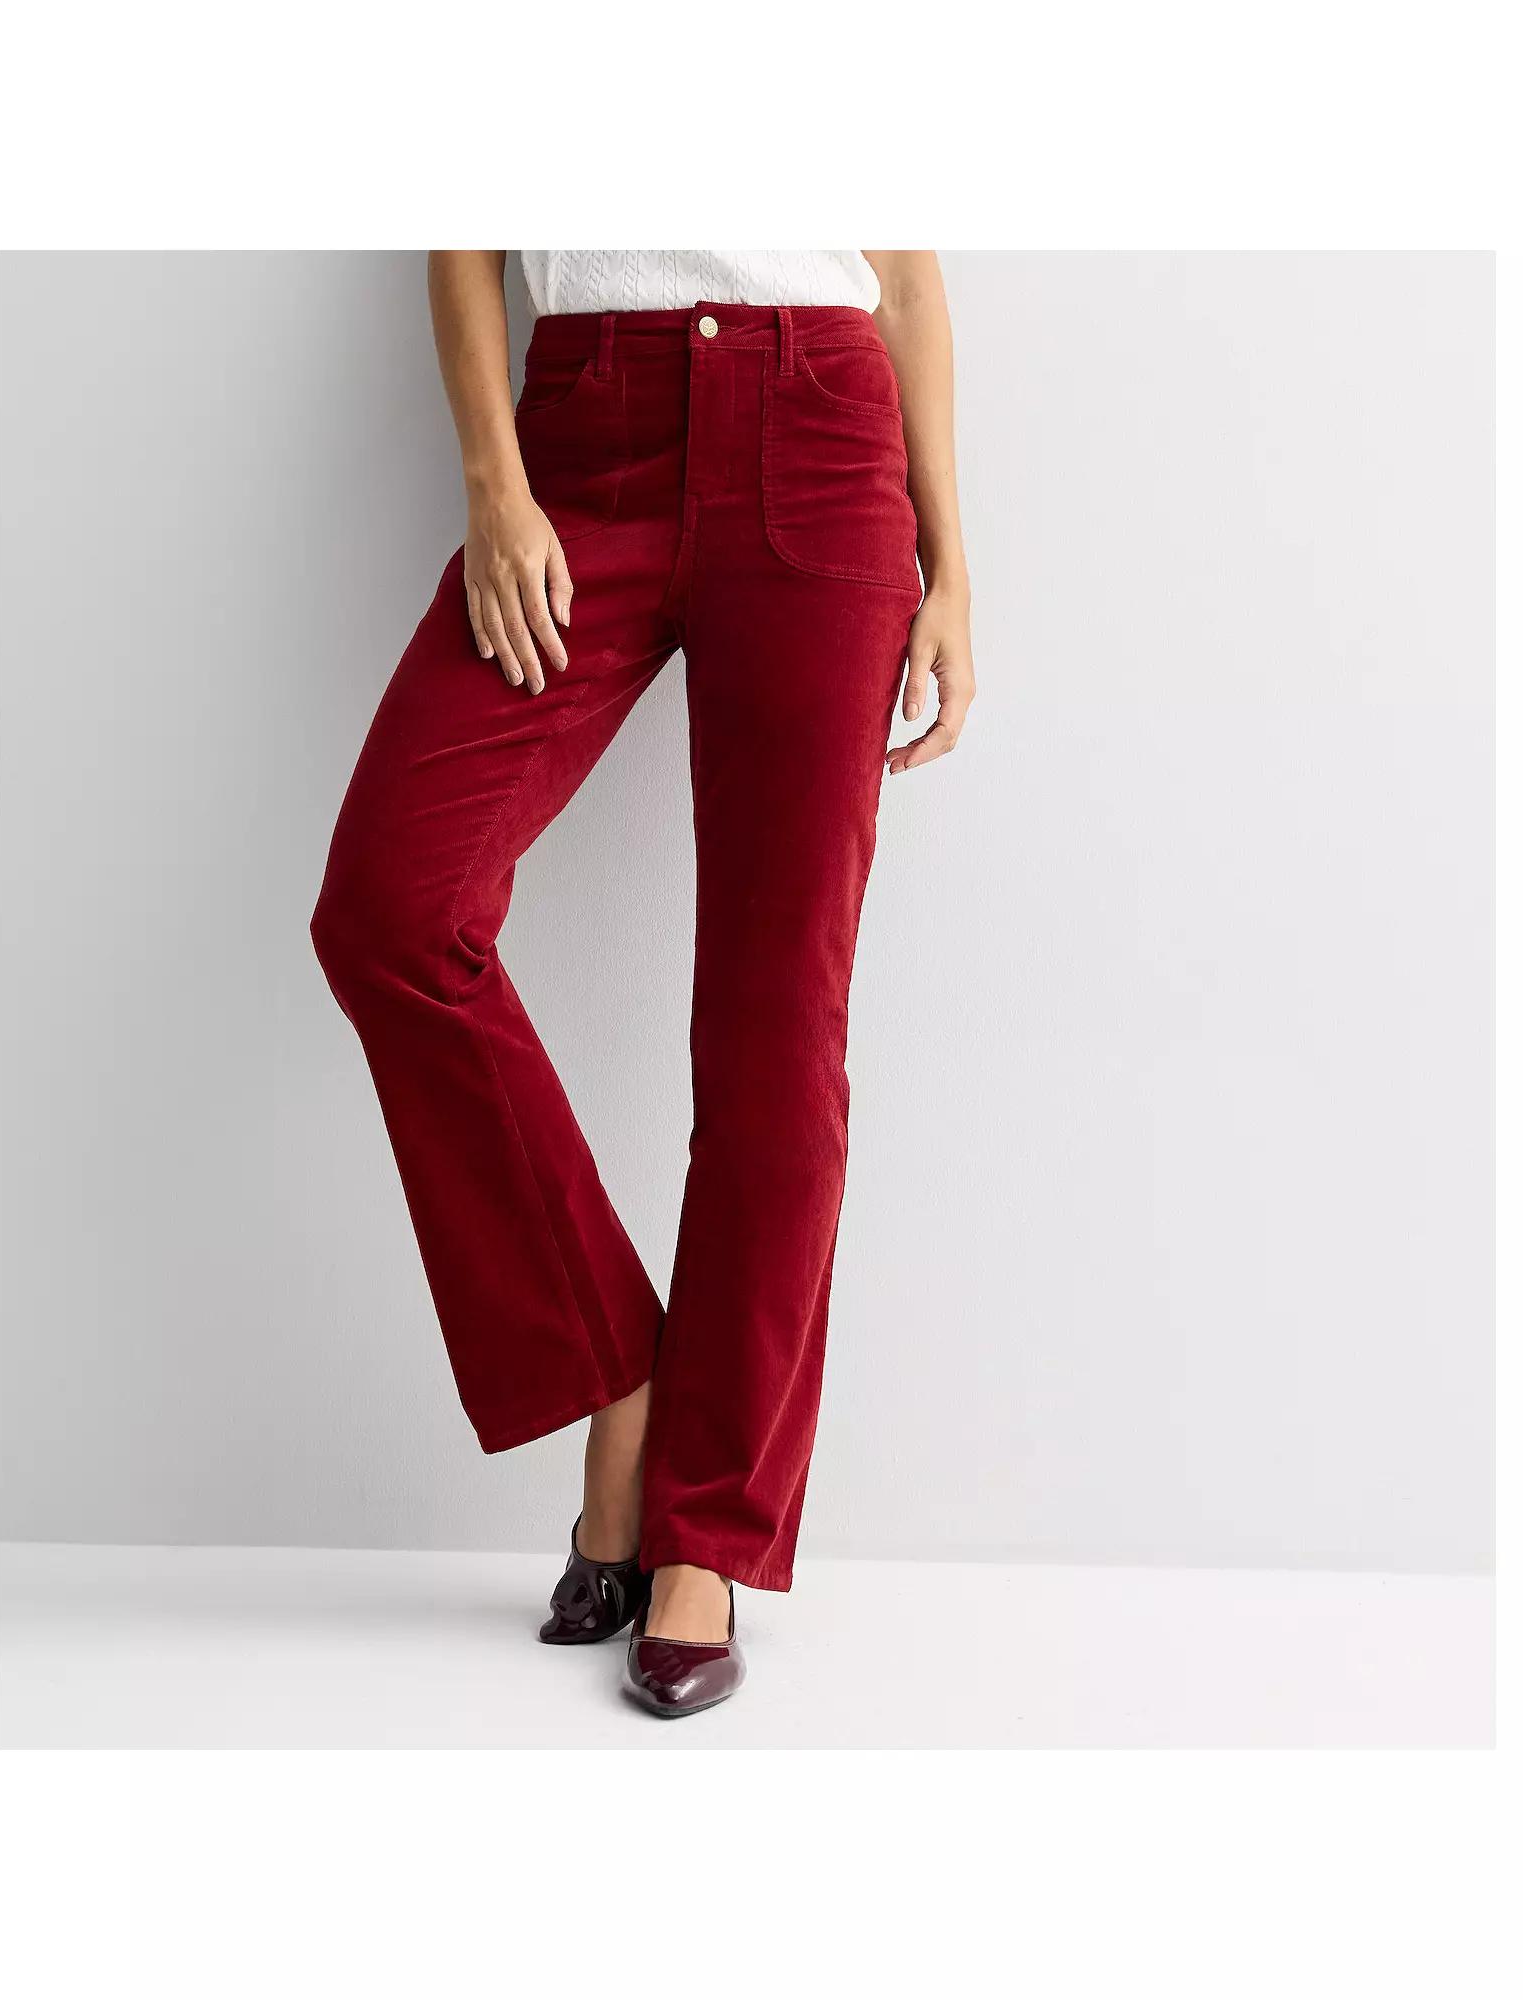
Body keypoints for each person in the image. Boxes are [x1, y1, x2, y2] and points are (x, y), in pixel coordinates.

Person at [311, 250, 974, 1717]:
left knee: (774, 1028)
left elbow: (909, 282)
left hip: (819, 440)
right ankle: (620, 1375)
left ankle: (705, 1537)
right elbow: (466, 243)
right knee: (391, 912)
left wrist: (953, 565)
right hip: (584, 446)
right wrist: (494, 485)